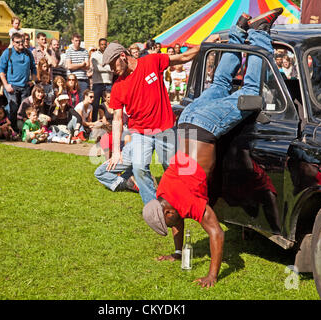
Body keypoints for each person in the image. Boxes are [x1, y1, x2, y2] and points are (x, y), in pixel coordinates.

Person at [141, 9, 284, 288]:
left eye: (169, 223)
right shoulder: (163, 195)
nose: (173, 226)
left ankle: (259, 33)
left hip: (205, 127)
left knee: (250, 93)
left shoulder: (186, 203)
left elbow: (217, 234)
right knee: (219, 84)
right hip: (187, 122)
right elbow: (178, 223)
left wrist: (212, 275)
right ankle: (238, 29)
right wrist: (177, 253)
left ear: (167, 212)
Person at [97, 31, 220, 205]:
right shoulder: (117, 87)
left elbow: (184, 57)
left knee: (171, 168)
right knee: (139, 168)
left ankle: (181, 202)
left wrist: (205, 43)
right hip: (140, 133)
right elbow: (117, 119)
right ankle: (153, 206)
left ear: (122, 56)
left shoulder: (151, 61)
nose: (111, 69)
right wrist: (116, 152)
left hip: (165, 129)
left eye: (112, 64)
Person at [0, 32, 37, 133]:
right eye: (18, 42)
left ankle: (24, 131)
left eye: (22, 41)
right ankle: (12, 131)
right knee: (13, 109)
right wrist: (6, 85)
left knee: (25, 110)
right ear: (13, 42)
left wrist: (32, 80)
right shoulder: (8, 52)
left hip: (25, 87)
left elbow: (34, 68)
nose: (21, 44)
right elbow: (1, 71)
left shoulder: (28, 53)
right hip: (12, 86)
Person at [90, 38, 113, 122]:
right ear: (99, 45)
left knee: (108, 105)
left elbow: (112, 67)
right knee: (95, 105)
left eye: (104, 44)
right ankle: (94, 123)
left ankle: (107, 122)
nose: (103, 46)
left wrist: (103, 66)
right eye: (102, 44)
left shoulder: (110, 54)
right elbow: (96, 68)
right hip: (97, 83)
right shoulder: (95, 55)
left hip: (108, 82)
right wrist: (107, 67)